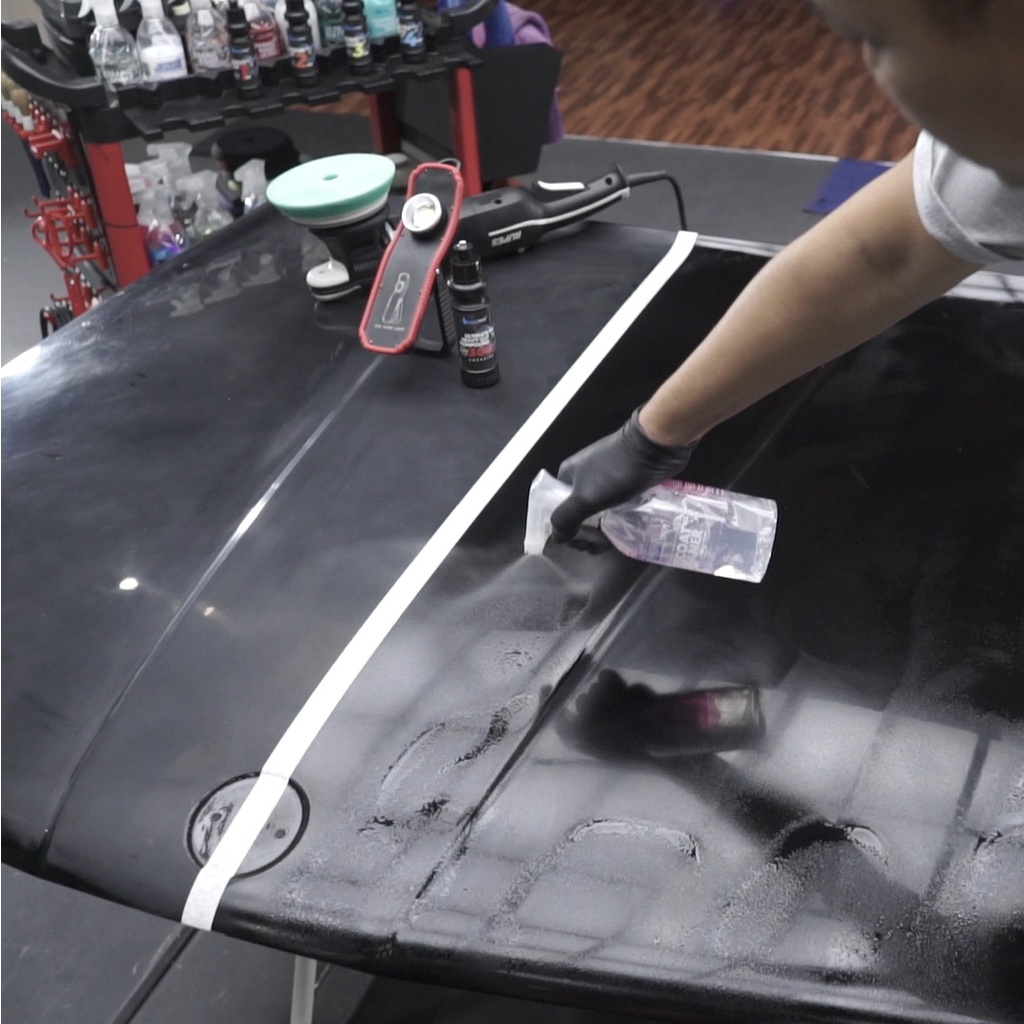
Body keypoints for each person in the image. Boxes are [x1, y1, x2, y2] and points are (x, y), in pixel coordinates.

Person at [550, 0, 1024, 541]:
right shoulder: (1001, 155)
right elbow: (883, 254)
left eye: (875, 39)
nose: (875, 72)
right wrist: (652, 436)